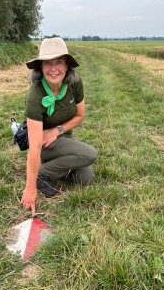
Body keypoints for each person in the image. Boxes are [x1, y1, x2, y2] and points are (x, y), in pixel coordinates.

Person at [20, 37, 98, 216]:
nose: (53, 68)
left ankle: (49, 170)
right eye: (47, 63)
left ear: (67, 65)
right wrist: (30, 188)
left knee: (84, 178)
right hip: (41, 141)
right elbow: (35, 146)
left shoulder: (74, 84)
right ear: (40, 67)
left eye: (59, 62)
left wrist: (57, 130)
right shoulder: (35, 95)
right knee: (89, 154)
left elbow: (79, 116)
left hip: (62, 136)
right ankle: (40, 173)